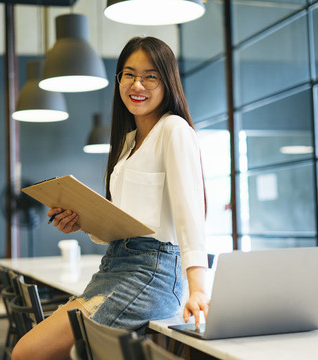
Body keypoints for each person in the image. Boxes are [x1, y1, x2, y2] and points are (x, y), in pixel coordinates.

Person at [11, 36, 209, 360]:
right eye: (129, 74)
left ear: (167, 81)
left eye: (150, 76)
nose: (138, 84)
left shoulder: (174, 129)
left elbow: (190, 212)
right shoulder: (126, 145)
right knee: (29, 352)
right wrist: (80, 222)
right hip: (113, 267)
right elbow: (118, 225)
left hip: (152, 274)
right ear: (118, 80)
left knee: (39, 353)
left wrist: (198, 287)